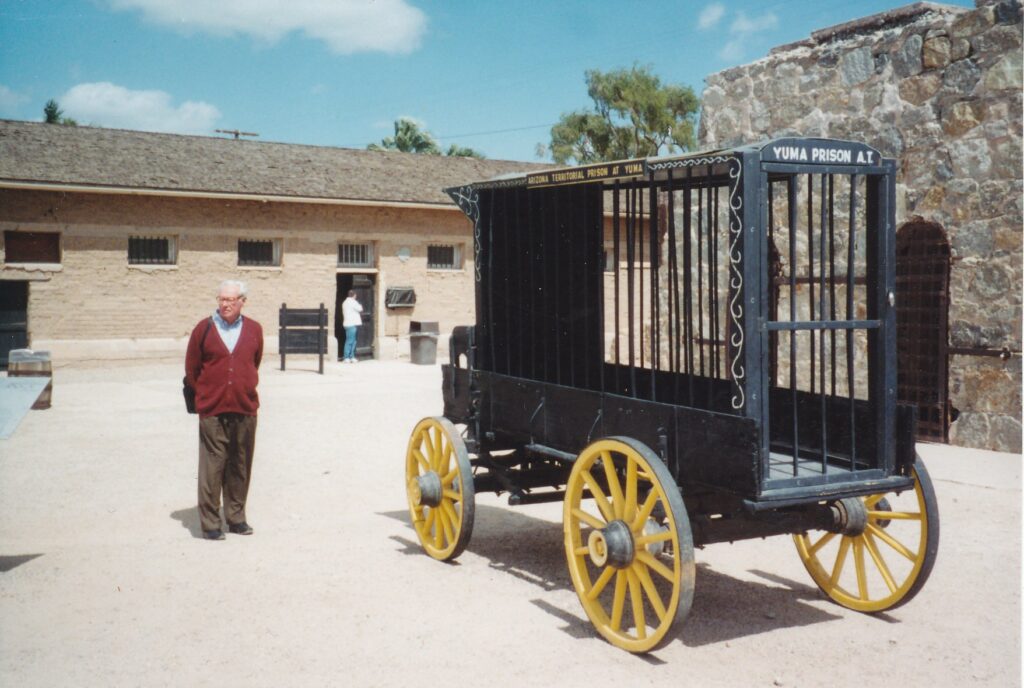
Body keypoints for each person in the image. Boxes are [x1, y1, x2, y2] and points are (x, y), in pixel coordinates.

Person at [184, 280, 264, 541]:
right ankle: (210, 524)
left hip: (244, 406)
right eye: (222, 299)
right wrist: (206, 395)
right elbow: (192, 368)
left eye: (230, 299)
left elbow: (254, 362)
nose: (225, 304)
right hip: (213, 407)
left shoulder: (254, 329)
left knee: (240, 464)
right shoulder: (203, 329)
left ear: (242, 301)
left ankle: (236, 518)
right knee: (212, 465)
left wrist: (241, 386)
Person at [341, 290, 363, 363]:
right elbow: (360, 309)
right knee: (351, 341)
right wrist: (359, 304)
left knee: (351, 341)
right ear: (354, 295)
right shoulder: (353, 302)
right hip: (352, 324)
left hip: (347, 323)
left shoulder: (345, 302)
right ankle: (347, 357)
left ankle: (351, 357)